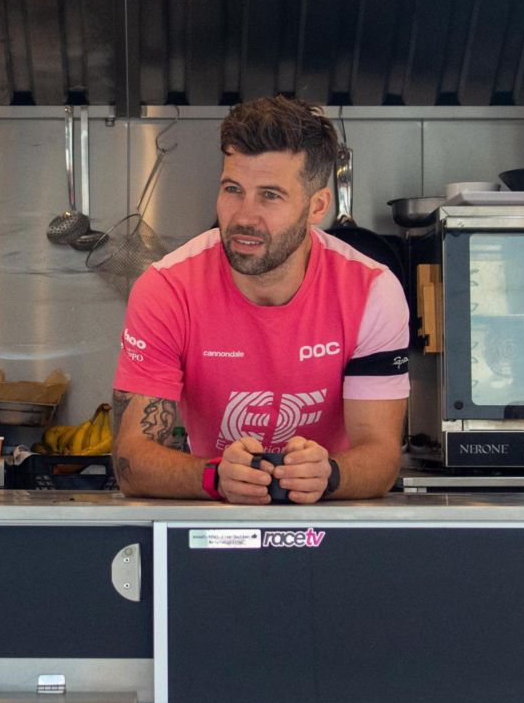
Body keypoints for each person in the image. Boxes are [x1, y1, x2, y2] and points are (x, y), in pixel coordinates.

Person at [111, 96, 410, 503]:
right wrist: (214, 477)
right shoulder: (167, 289)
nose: (244, 216)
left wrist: (330, 475)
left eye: (270, 195)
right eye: (233, 189)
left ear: (317, 206)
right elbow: (131, 461)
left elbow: (381, 454)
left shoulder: (373, 291)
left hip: (332, 524)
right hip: (212, 527)